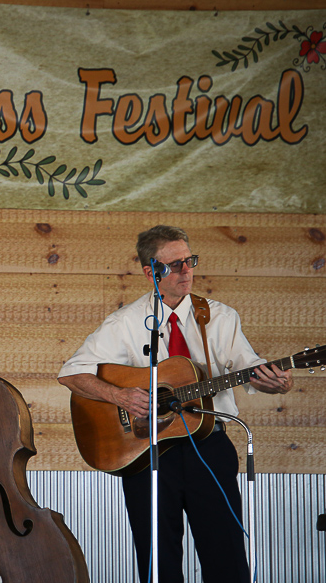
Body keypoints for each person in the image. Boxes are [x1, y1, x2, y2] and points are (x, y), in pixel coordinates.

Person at [58, 225, 293, 583]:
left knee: (226, 553)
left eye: (190, 261)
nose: (187, 271)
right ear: (151, 272)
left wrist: (275, 382)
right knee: (158, 559)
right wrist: (120, 396)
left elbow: (248, 365)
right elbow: (71, 374)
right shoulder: (125, 323)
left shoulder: (219, 317)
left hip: (209, 444)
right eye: (175, 264)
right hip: (148, 452)